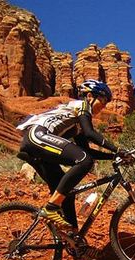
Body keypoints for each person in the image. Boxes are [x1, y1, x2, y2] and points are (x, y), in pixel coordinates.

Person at [16, 79, 126, 231]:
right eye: (102, 99)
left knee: (67, 193)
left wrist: (113, 157)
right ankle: (51, 207)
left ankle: (73, 239)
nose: (104, 105)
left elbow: (87, 150)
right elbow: (90, 134)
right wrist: (117, 149)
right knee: (84, 161)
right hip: (37, 135)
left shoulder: (77, 125)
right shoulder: (81, 105)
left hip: (37, 146)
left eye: (106, 102)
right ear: (89, 96)